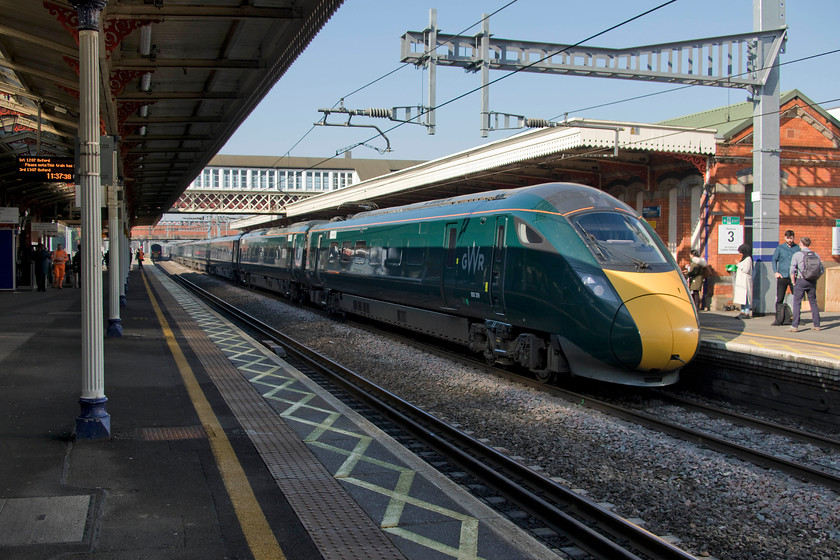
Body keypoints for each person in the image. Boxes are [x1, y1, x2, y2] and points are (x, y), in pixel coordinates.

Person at [788, 236, 824, 332]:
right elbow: (821, 270)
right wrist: (815, 278)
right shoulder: (816, 255)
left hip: (800, 280)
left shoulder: (797, 255)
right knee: (813, 302)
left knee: (797, 302)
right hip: (812, 281)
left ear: (801, 244)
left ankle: (795, 326)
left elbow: (792, 270)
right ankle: (817, 325)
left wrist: (793, 281)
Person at [770, 230, 799, 325]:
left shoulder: (797, 248)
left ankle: (797, 319)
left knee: (797, 297)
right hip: (782, 276)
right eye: (788, 238)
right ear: (785, 238)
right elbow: (774, 259)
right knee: (779, 298)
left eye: (791, 238)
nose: (790, 240)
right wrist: (776, 272)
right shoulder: (780, 248)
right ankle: (778, 319)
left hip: (793, 277)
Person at [732, 243, 753, 319]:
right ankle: (742, 311)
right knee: (742, 298)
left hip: (745, 281)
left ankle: (747, 312)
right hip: (741, 282)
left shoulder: (748, 259)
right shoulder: (744, 259)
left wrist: (738, 264)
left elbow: (746, 270)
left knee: (746, 297)